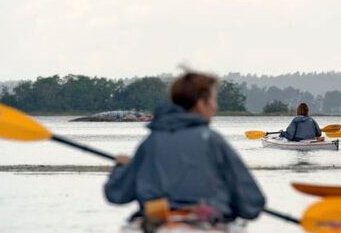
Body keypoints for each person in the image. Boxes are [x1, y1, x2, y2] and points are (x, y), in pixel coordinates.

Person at [104, 71, 265, 220]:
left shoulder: (151, 142)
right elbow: (252, 204)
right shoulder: (213, 141)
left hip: (159, 221)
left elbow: (117, 194)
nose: (215, 106)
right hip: (208, 222)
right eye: (213, 100)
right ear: (200, 104)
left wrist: (121, 168)